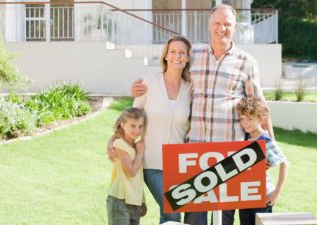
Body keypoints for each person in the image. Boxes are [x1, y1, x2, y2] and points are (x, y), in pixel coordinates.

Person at [131, 4, 275, 225]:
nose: (222, 29)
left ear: (235, 27)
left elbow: (261, 110)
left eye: (227, 24)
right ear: (209, 26)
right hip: (194, 155)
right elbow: (170, 76)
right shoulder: (194, 56)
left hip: (230, 156)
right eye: (217, 23)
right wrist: (139, 88)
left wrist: (270, 148)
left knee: (224, 219)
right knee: (194, 219)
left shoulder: (247, 62)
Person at [109, 35, 192, 224]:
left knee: (168, 214)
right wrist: (113, 138)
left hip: (179, 164)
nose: (177, 56)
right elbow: (131, 118)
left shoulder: (190, 89)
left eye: (182, 53)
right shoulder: (148, 83)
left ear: (187, 58)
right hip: (151, 162)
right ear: (165, 56)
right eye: (172, 52)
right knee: (172, 211)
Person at [232, 96, 288, 225]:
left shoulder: (265, 140)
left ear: (261, 118)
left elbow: (284, 164)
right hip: (246, 197)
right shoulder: (244, 139)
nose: (245, 123)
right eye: (242, 119)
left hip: (263, 196)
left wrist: (276, 193)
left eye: (250, 119)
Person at [106, 107, 148, 225]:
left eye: (140, 126)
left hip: (135, 202)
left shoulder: (135, 146)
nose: (137, 130)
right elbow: (131, 172)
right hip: (120, 201)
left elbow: (138, 178)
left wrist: (142, 201)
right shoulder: (119, 145)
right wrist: (140, 153)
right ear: (122, 124)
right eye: (133, 126)